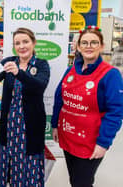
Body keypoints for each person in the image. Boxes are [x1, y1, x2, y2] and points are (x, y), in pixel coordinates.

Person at [51, 25, 123, 187]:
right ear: (78, 46)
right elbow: (59, 98)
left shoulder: (110, 74)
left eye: (94, 42)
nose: (88, 46)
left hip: (91, 141)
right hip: (68, 135)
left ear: (102, 46)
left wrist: (103, 143)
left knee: (82, 182)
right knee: (74, 179)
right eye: (84, 43)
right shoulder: (70, 70)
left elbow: (116, 112)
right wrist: (55, 125)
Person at [0, 27, 50, 187]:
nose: (21, 46)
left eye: (25, 42)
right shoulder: (9, 62)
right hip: (10, 126)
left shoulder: (41, 65)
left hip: (30, 127)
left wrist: (19, 73)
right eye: (17, 43)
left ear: (33, 43)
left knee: (28, 165)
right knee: (7, 164)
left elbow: (39, 86)